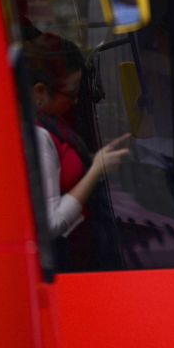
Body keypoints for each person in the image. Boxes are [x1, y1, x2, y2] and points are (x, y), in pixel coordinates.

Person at [25, 34, 130, 239]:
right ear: (40, 91)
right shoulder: (39, 136)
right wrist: (95, 171)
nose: (75, 102)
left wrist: (97, 161)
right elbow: (51, 224)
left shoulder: (53, 121)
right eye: (71, 93)